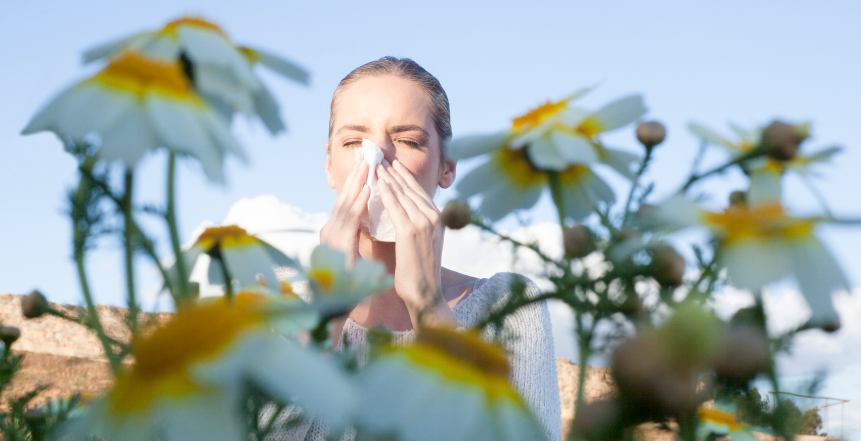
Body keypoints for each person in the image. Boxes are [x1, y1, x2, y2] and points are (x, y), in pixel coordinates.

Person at [277, 56, 562, 441]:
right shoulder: (274, 297)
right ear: (329, 164)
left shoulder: (510, 306)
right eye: (353, 142)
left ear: (447, 167)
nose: (375, 160)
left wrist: (428, 305)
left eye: (408, 140)